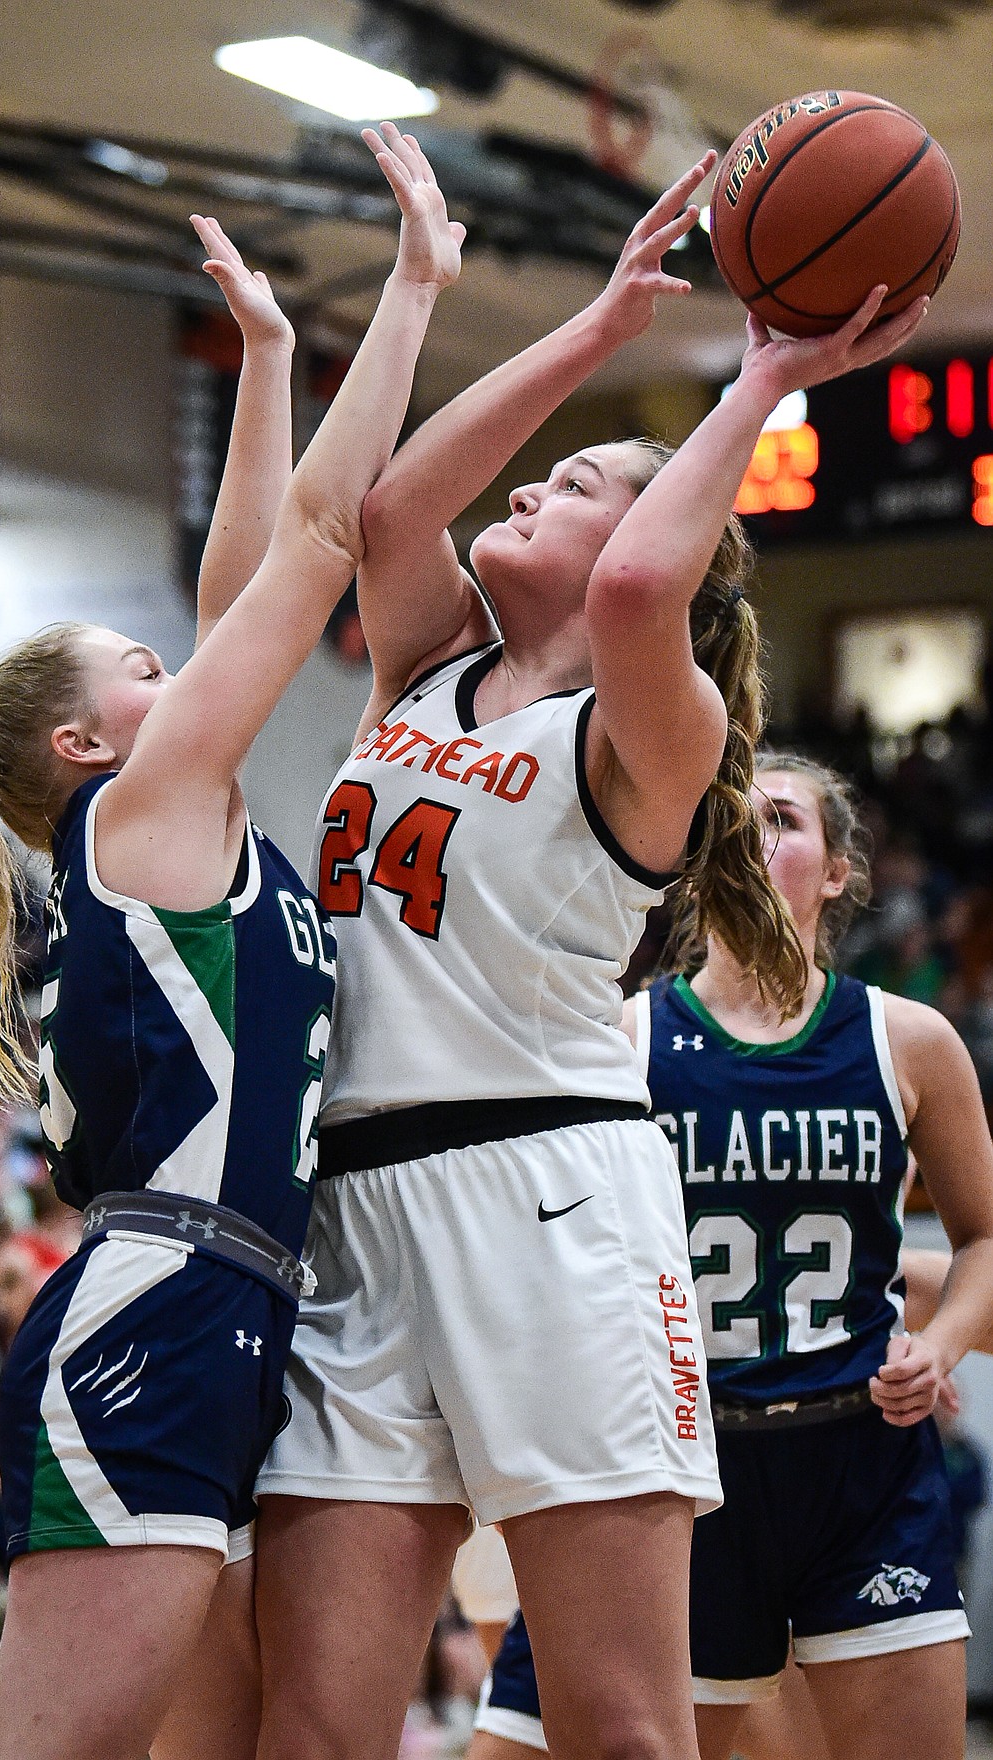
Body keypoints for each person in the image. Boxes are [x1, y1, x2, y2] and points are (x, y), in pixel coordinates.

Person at [250, 128, 930, 1760]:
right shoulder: (423, 671)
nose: (535, 481)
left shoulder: (653, 729)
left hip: (549, 1208)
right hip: (356, 1206)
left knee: (620, 1727)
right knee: (319, 1725)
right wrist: (606, 322)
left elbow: (635, 585)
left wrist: (761, 375)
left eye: (577, 478)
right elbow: (388, 503)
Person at [0, 127, 463, 1760]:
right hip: (158, 1305)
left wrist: (266, 355)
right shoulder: (134, 831)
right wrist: (409, 289)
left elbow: (253, 566)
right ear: (81, 744)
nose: (178, 665)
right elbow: (318, 541)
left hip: (248, 1311)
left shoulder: (194, 835)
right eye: (143, 662)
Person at [471, 752, 993, 1760]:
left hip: (860, 1455)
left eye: (785, 820)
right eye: (731, 819)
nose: (753, 837)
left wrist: (947, 1344)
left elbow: (981, 1241)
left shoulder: (909, 1039)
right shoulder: (620, 1039)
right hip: (683, 1464)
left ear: (838, 870)